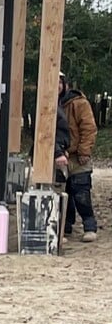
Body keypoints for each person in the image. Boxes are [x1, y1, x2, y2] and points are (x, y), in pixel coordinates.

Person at [60, 73, 99, 242]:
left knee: (81, 193)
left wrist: (84, 151)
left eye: (59, 82)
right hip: (61, 155)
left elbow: (89, 128)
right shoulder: (51, 103)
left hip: (77, 156)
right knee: (64, 193)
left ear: (65, 84)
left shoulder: (79, 103)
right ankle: (65, 227)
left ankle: (89, 226)